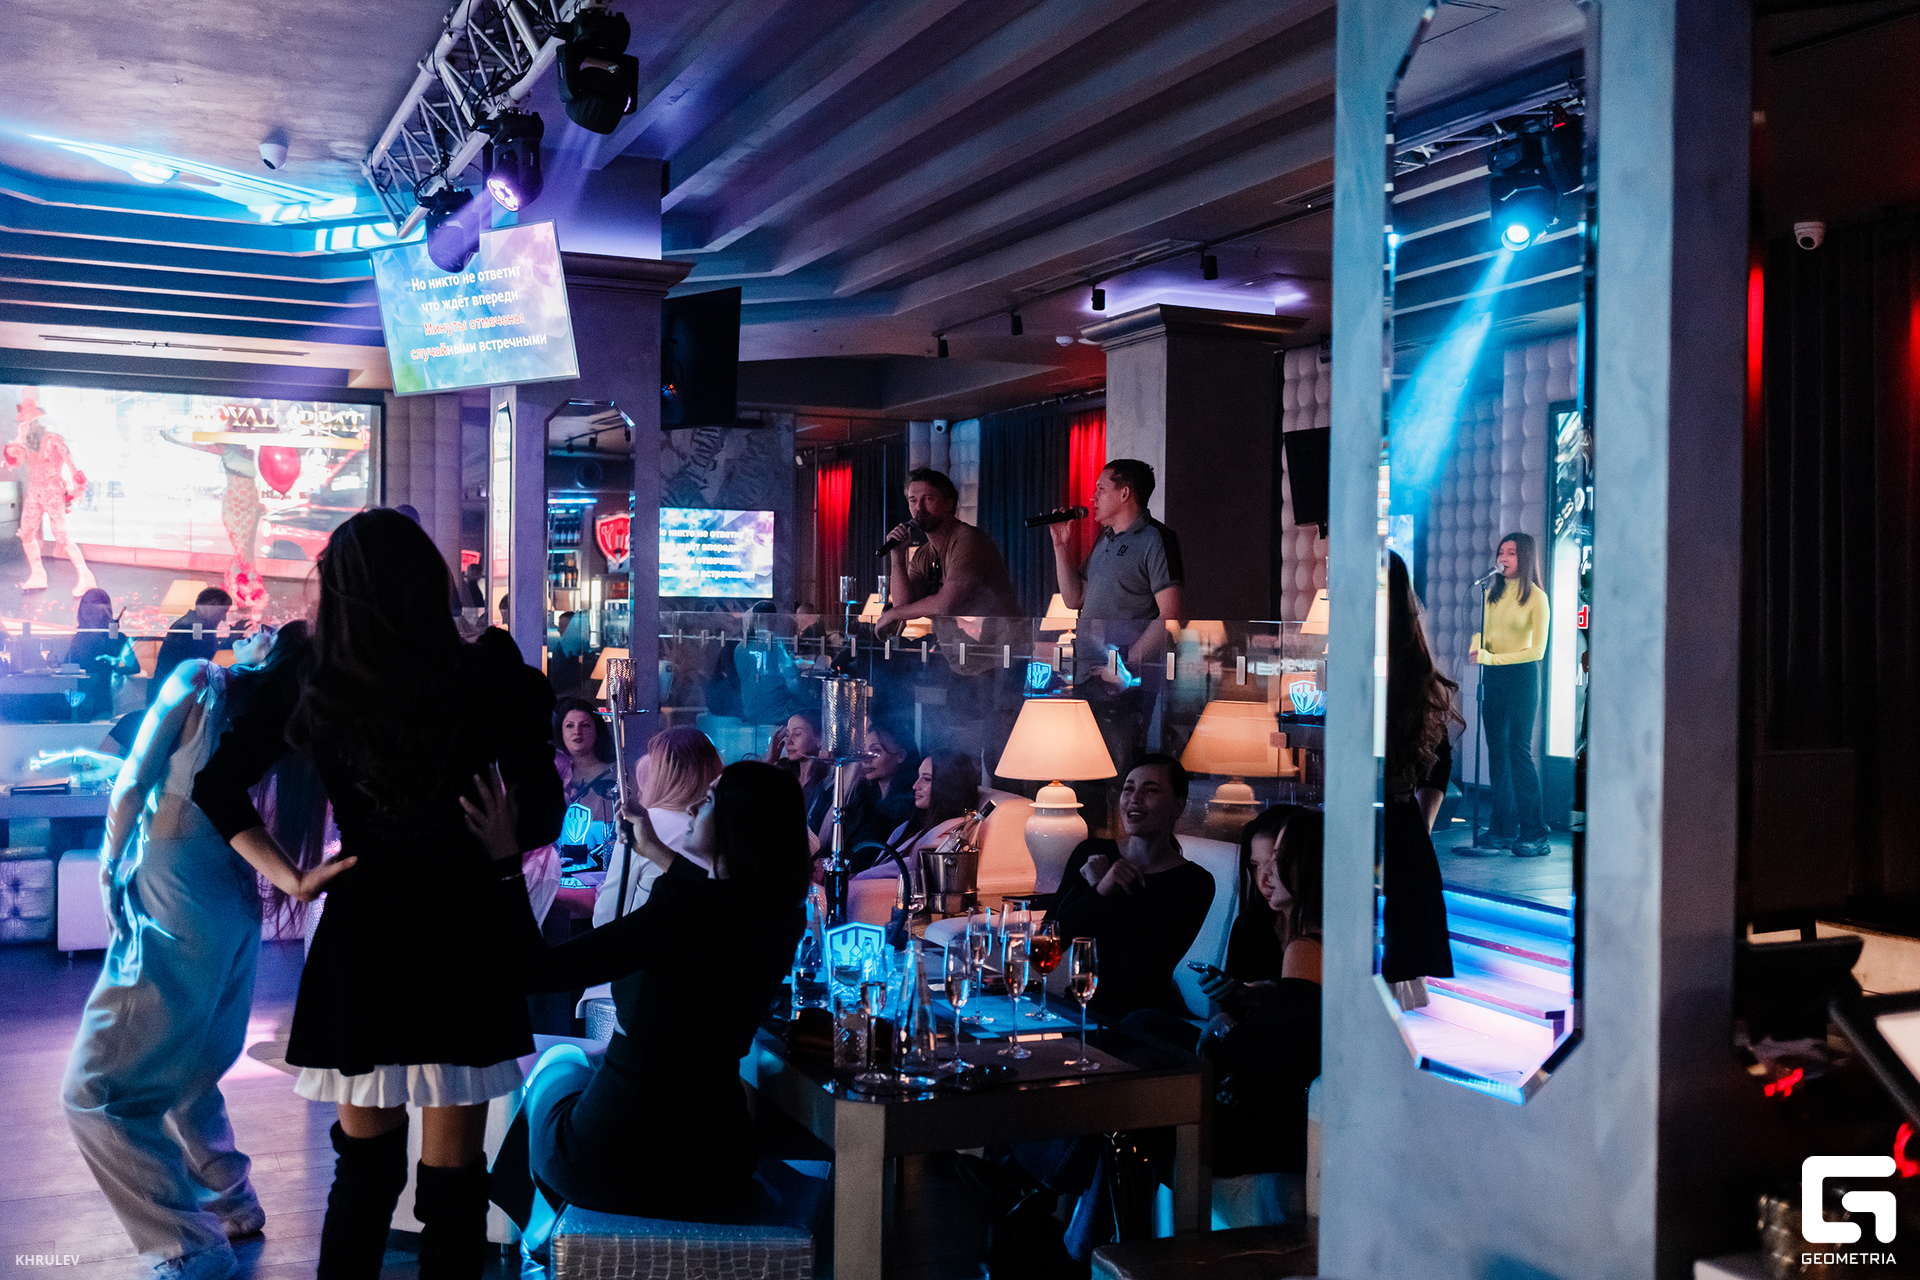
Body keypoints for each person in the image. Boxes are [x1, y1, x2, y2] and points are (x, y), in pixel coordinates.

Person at [191, 509, 565, 1280]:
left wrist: (293, 878)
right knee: (454, 1191)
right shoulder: (485, 672)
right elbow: (543, 813)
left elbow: (217, 784)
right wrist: (501, 839)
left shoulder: (316, 673)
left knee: (364, 1175)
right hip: (462, 930)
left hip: (366, 933)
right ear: (428, 580)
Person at [63, 622, 335, 1280]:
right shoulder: (280, 730)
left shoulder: (199, 682)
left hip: (174, 886)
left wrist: (108, 868)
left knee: (94, 1090)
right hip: (233, 896)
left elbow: (134, 785)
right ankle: (230, 1198)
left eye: (265, 630)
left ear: (271, 656)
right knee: (188, 1067)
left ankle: (186, 1244)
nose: (251, 629)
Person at [461, 761, 810, 1223]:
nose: (692, 806)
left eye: (708, 800)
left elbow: (535, 970)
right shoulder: (783, 914)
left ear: (738, 824)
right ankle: (549, 1233)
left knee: (559, 1063)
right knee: (583, 1072)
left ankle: (539, 1230)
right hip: (717, 1161)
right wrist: (658, 851)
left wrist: (507, 861)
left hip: (614, 1159)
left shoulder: (679, 909)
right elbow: (720, 905)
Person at [1192, 810, 1323, 1187]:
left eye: (1278, 860)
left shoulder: (1306, 948)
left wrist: (1225, 1029)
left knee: (1140, 1109)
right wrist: (1260, 998)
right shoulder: (1267, 931)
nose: (1267, 876)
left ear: (1309, 866)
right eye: (1257, 865)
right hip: (1265, 1101)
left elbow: (1280, 1072)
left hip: (1274, 1128)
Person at [1047, 460, 1185, 817]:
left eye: (1101, 489)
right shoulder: (1104, 539)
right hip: (1087, 675)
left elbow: (1170, 613)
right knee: (1085, 777)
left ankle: (1125, 843)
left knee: (1122, 775)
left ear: (1125, 494)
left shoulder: (1155, 539)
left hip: (1124, 683)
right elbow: (1074, 598)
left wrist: (1125, 665)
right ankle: (1094, 843)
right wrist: (1061, 546)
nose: (1092, 497)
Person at [1045, 755, 1214, 1020]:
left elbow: (1142, 973)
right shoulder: (1091, 853)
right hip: (1079, 1009)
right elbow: (1052, 940)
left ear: (1178, 806)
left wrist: (1101, 888)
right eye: (1129, 789)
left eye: (1150, 790)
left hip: (1142, 1022)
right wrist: (1100, 891)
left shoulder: (1194, 882)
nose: (1134, 799)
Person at [1383, 553, 1462, 1007]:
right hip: (1395, 826)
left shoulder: (1403, 667)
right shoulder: (1406, 663)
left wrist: (1419, 822)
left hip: (1393, 826)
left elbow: (1438, 760)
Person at [1468, 531, 1551, 857]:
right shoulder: (1492, 593)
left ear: (1525, 557)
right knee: (1497, 755)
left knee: (1518, 752)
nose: (1503, 558)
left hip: (1521, 679)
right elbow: (1485, 633)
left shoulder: (1537, 598)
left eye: (1511, 553)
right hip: (1494, 679)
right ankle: (1503, 828)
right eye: (1501, 552)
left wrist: (1491, 659)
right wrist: (1477, 644)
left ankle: (1535, 832)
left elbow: (1537, 651)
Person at [594, 727, 722, 925]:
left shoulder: (644, 822)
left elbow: (606, 917)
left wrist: (598, 894)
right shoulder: (727, 825)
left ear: (660, 775)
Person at [875, 468, 1021, 630]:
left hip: (1002, 642)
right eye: (913, 500)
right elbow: (903, 606)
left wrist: (893, 614)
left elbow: (945, 605)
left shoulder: (969, 540)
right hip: (959, 644)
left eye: (928, 498)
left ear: (949, 502)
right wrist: (897, 556)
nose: (919, 507)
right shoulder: (922, 555)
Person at [7, 393, 97, 595]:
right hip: (34, 490)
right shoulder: (29, 441)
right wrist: (11, 457)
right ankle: (38, 573)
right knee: (27, 531)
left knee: (60, 534)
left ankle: (85, 575)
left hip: (52, 490)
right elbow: (18, 459)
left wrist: (76, 487)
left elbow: (71, 463)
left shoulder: (55, 439)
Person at [817, 720, 919, 871]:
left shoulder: (908, 806)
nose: (866, 759)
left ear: (901, 755)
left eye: (876, 751)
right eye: (864, 752)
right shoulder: (863, 799)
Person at [1223, 804, 1300, 984]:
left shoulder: (1328, 935)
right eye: (1256, 866)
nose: (1263, 879)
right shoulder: (1249, 926)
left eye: (1276, 861)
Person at [151, 588, 233, 704]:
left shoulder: (195, 625)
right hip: (175, 696)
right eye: (223, 611)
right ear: (212, 605)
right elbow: (199, 659)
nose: (224, 618)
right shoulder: (192, 627)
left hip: (174, 693)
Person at [67, 587, 138, 721]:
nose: (88, 607)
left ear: (105, 609)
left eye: (94, 603)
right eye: (85, 603)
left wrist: (113, 640)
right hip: (77, 701)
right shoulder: (79, 638)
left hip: (102, 703)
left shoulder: (116, 638)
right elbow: (66, 666)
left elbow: (133, 666)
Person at [767, 711, 832, 832]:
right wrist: (770, 760)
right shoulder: (783, 774)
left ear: (819, 739)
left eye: (797, 734)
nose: (789, 741)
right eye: (787, 735)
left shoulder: (827, 783)